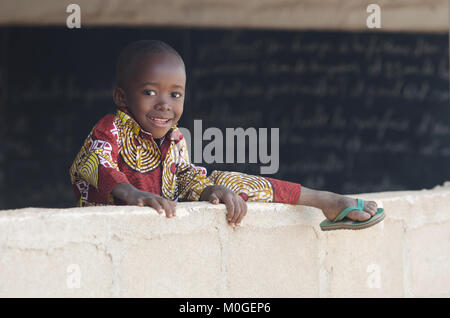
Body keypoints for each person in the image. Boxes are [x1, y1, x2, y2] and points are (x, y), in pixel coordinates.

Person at [69, 40, 385, 231]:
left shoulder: (175, 137)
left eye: (176, 94)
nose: (165, 104)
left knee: (228, 181)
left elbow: (183, 177)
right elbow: (92, 162)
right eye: (150, 92)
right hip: (112, 232)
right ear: (122, 97)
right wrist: (130, 193)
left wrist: (209, 191)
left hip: (164, 232)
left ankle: (324, 201)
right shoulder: (112, 126)